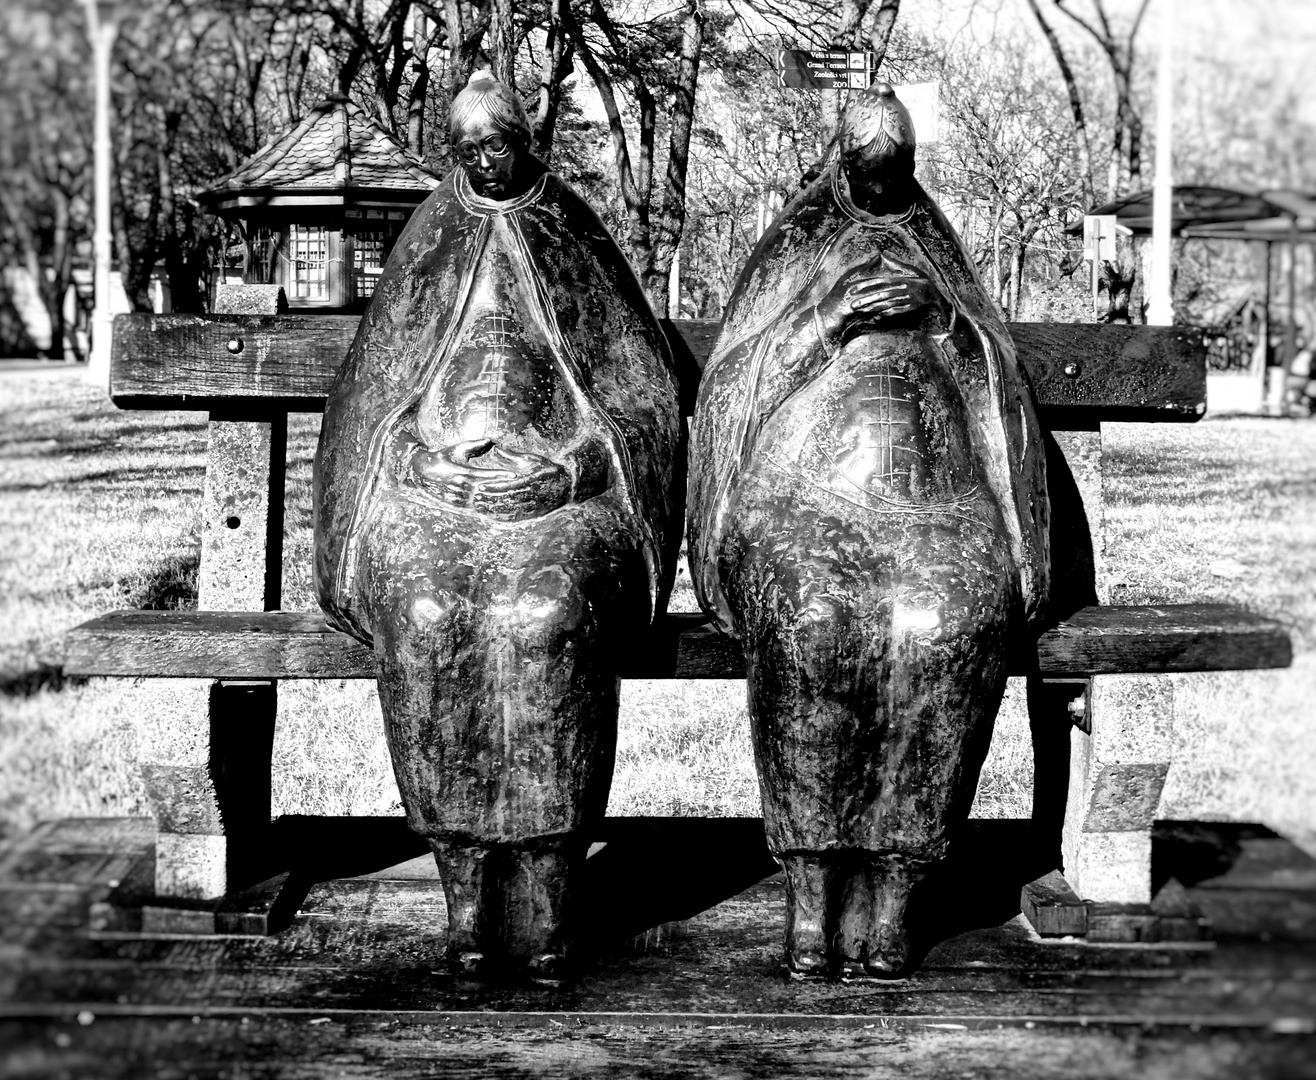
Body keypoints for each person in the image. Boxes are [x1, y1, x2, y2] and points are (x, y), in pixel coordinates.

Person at [314, 71, 682, 977]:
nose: (487, 163)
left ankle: (551, 888)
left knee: (549, 616)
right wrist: (420, 463)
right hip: (431, 500)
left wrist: (572, 469)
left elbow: (641, 396)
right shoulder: (430, 239)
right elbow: (378, 398)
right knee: (431, 613)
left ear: (528, 143)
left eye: (500, 147)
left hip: (566, 501)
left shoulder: (573, 235)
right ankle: (466, 891)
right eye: (470, 151)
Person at [688, 83, 1050, 977]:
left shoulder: (936, 249)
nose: (884, 193)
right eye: (868, 175)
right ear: (842, 165)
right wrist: (830, 317)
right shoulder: (795, 247)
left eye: (900, 176)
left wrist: (942, 317)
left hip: (936, 506)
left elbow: (992, 375)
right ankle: (812, 894)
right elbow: (736, 380)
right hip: (803, 501)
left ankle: (896, 889)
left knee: (951, 620)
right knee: (811, 619)